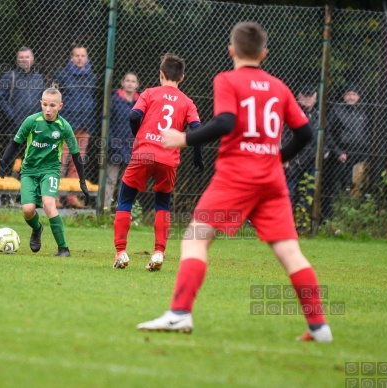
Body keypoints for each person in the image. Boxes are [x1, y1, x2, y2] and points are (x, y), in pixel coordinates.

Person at [137, 22, 333, 343]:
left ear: (231, 51)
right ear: (264, 54)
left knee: (195, 239)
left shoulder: (227, 80)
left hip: (237, 177)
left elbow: (226, 122)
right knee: (290, 253)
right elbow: (306, 134)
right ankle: (319, 326)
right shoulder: (279, 87)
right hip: (271, 180)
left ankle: (179, 314)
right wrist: (275, 158)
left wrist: (184, 138)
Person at [112, 53, 204, 271]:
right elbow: (198, 129)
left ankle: (121, 252)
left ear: (161, 74)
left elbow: (134, 116)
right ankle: (159, 252)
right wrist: (197, 156)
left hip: (143, 154)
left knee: (125, 200)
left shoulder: (149, 93)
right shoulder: (187, 102)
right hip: (168, 158)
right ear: (182, 78)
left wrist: (139, 136)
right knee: (162, 204)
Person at [0, 87, 90, 257]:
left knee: (49, 203)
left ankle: (63, 249)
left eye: (52, 105)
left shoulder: (64, 127)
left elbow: (76, 155)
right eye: (45, 104)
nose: (48, 109)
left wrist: (82, 181)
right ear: (40, 103)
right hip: (29, 171)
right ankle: (37, 228)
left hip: (50, 171)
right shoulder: (31, 121)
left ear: (60, 106)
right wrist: (4, 162)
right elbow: (15, 143)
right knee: (27, 209)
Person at [0, 47, 45, 206]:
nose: (24, 59)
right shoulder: (9, 76)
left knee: (29, 163)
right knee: (8, 162)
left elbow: (43, 101)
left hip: (34, 130)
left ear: (33, 59)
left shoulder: (39, 78)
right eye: (21, 57)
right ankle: (4, 195)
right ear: (17, 60)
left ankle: (25, 196)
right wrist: (13, 116)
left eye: (27, 57)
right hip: (13, 128)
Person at [53, 45, 97, 208]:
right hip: (66, 126)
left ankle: (71, 197)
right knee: (60, 162)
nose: (80, 58)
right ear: (71, 58)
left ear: (87, 58)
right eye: (76, 55)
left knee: (77, 164)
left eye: (83, 56)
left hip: (85, 125)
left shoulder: (92, 78)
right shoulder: (61, 76)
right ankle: (54, 197)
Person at [322, 83, 368, 219]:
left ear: (358, 97)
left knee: (353, 188)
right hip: (339, 156)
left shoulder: (362, 113)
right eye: (348, 94)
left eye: (354, 94)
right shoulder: (336, 110)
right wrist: (338, 152)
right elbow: (327, 133)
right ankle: (327, 218)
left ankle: (348, 218)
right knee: (333, 187)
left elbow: (365, 135)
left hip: (357, 157)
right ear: (344, 96)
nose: (351, 97)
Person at [105, 72, 140, 211]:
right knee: (110, 180)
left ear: (137, 85)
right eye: (128, 81)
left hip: (133, 147)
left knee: (127, 182)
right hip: (115, 146)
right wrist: (111, 143)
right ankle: (105, 209)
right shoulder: (114, 100)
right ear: (122, 83)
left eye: (133, 81)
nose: (130, 83)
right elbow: (108, 124)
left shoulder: (141, 103)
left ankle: (122, 210)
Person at [284, 85, 319, 211]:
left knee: (308, 192)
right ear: (298, 97)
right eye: (305, 96)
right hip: (294, 158)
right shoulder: (292, 113)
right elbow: (285, 136)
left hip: (311, 159)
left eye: (311, 96)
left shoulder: (318, 116)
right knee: (289, 190)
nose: (308, 99)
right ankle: (287, 216)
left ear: (316, 97)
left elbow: (325, 138)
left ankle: (303, 220)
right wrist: (286, 157)